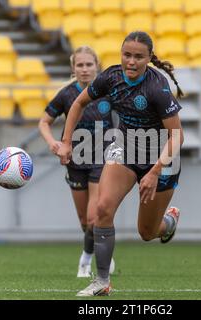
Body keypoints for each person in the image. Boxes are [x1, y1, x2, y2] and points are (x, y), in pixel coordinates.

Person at [57, 31, 185, 296]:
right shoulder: (111, 77)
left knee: (147, 232)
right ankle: (102, 281)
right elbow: (79, 103)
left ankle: (168, 223)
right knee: (102, 209)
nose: (131, 61)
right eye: (127, 55)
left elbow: (177, 135)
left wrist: (154, 171)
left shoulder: (157, 87)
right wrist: (67, 141)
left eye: (139, 57)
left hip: (159, 158)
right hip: (125, 150)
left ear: (149, 58)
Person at [38, 46, 115, 278]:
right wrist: (54, 143)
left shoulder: (109, 92)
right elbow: (44, 122)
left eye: (89, 64)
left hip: (102, 159)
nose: (84, 69)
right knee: (85, 221)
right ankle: (98, 246)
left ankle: (87, 259)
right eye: (80, 65)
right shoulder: (66, 95)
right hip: (75, 162)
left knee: (94, 217)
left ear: (97, 66)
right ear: (73, 68)